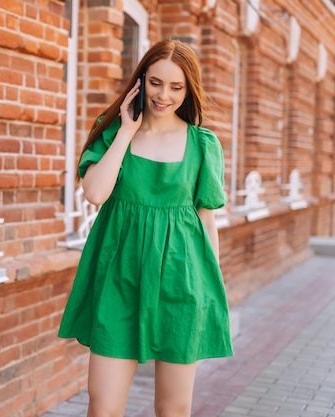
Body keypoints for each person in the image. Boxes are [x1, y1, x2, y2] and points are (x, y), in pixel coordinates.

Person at [58, 39, 233, 417]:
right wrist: (125, 130)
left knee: (172, 409)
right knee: (102, 405)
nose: (163, 95)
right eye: (155, 83)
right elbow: (95, 193)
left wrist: (209, 292)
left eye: (176, 87)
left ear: (188, 91)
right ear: (140, 81)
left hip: (181, 283)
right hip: (118, 281)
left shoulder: (203, 145)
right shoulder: (111, 134)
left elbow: (206, 220)